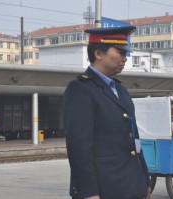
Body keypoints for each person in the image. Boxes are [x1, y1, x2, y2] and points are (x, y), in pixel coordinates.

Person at [62, 26, 151, 199]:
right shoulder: (80, 89)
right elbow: (79, 147)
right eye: (120, 52)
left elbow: (135, 141)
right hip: (105, 189)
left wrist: (145, 182)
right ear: (98, 53)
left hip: (132, 186)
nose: (125, 58)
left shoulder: (120, 90)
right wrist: (88, 192)